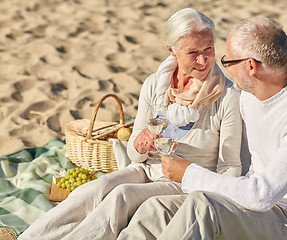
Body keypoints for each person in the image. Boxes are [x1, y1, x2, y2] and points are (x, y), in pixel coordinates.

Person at [18, 8, 243, 240]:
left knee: (121, 196)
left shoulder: (227, 96)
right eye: (193, 52)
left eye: (209, 48)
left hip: (184, 182)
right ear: (172, 51)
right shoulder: (155, 84)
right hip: (145, 169)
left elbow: (231, 166)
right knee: (94, 189)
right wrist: (140, 145)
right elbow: (135, 156)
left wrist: (199, 182)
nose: (203, 59)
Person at [119, 17, 287, 240]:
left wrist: (188, 173)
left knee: (204, 206)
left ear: (250, 66)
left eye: (228, 62)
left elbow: (261, 196)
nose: (222, 68)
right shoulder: (249, 97)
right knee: (157, 208)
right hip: (258, 205)